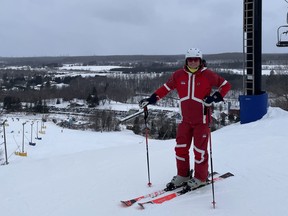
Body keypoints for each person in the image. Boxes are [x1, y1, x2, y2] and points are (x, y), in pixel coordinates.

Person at [139, 48, 231, 189]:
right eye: (190, 59)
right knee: (180, 148)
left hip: (202, 120)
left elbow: (225, 85)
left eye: (196, 59)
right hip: (185, 120)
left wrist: (215, 97)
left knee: (199, 150)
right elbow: (165, 88)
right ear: (186, 61)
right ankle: (183, 175)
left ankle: (201, 177)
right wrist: (151, 99)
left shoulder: (207, 74)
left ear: (200, 61)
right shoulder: (178, 75)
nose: (193, 62)